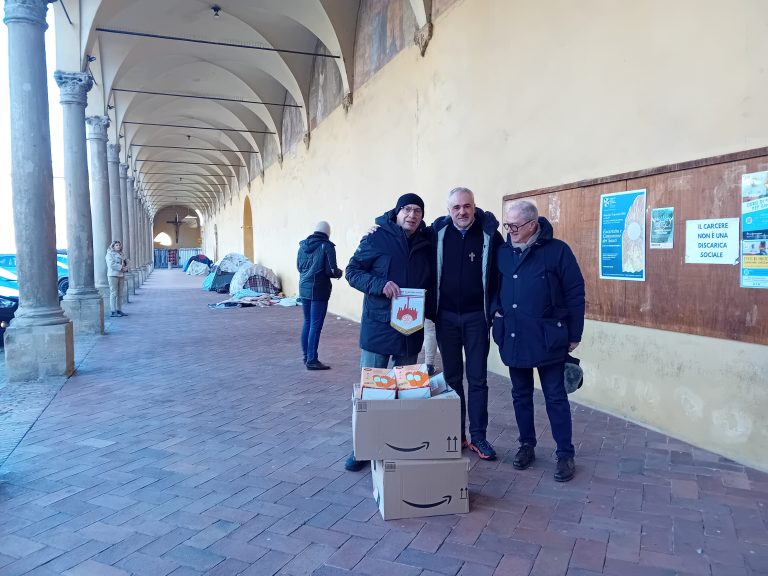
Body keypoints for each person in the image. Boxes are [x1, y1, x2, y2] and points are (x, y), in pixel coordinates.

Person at [492, 199, 585, 482]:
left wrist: (574, 334)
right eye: (507, 225)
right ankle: (526, 445)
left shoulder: (558, 251)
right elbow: (493, 287)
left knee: (555, 396)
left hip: (548, 338)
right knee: (520, 395)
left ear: (533, 225)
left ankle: (565, 454)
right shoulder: (503, 252)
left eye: (515, 226)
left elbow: (575, 292)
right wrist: (496, 313)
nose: (510, 231)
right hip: (513, 335)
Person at [344, 193, 433, 472]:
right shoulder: (377, 237)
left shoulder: (427, 241)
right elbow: (352, 271)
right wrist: (379, 284)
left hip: (410, 329)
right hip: (379, 327)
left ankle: (396, 443)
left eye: (417, 210)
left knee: (405, 392)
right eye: (407, 209)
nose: (412, 215)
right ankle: (362, 447)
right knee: (371, 392)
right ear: (396, 212)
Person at [432, 187, 504, 461]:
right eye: (456, 207)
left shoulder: (489, 234)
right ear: (448, 210)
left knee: (478, 379)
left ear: (474, 207)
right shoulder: (437, 233)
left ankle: (479, 436)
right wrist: (380, 225)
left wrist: (495, 308)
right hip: (446, 318)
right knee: (451, 379)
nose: (462, 212)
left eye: (467, 206)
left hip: (477, 318)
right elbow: (406, 234)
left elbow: (502, 273)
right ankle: (456, 434)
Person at [296, 221, 343, 370]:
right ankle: (312, 360)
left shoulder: (302, 246)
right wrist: (339, 273)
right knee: (315, 325)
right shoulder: (326, 246)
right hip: (319, 290)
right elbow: (331, 270)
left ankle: (306, 356)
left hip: (304, 288)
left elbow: (299, 267)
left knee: (308, 322)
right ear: (328, 233)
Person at [106, 240, 129, 317]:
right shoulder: (109, 254)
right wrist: (121, 268)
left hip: (121, 275)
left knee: (120, 293)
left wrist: (127, 267)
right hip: (113, 275)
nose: (118, 246)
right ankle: (113, 311)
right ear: (113, 246)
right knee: (114, 293)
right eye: (116, 245)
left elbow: (126, 261)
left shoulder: (122, 254)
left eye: (119, 245)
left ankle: (119, 310)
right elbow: (111, 264)